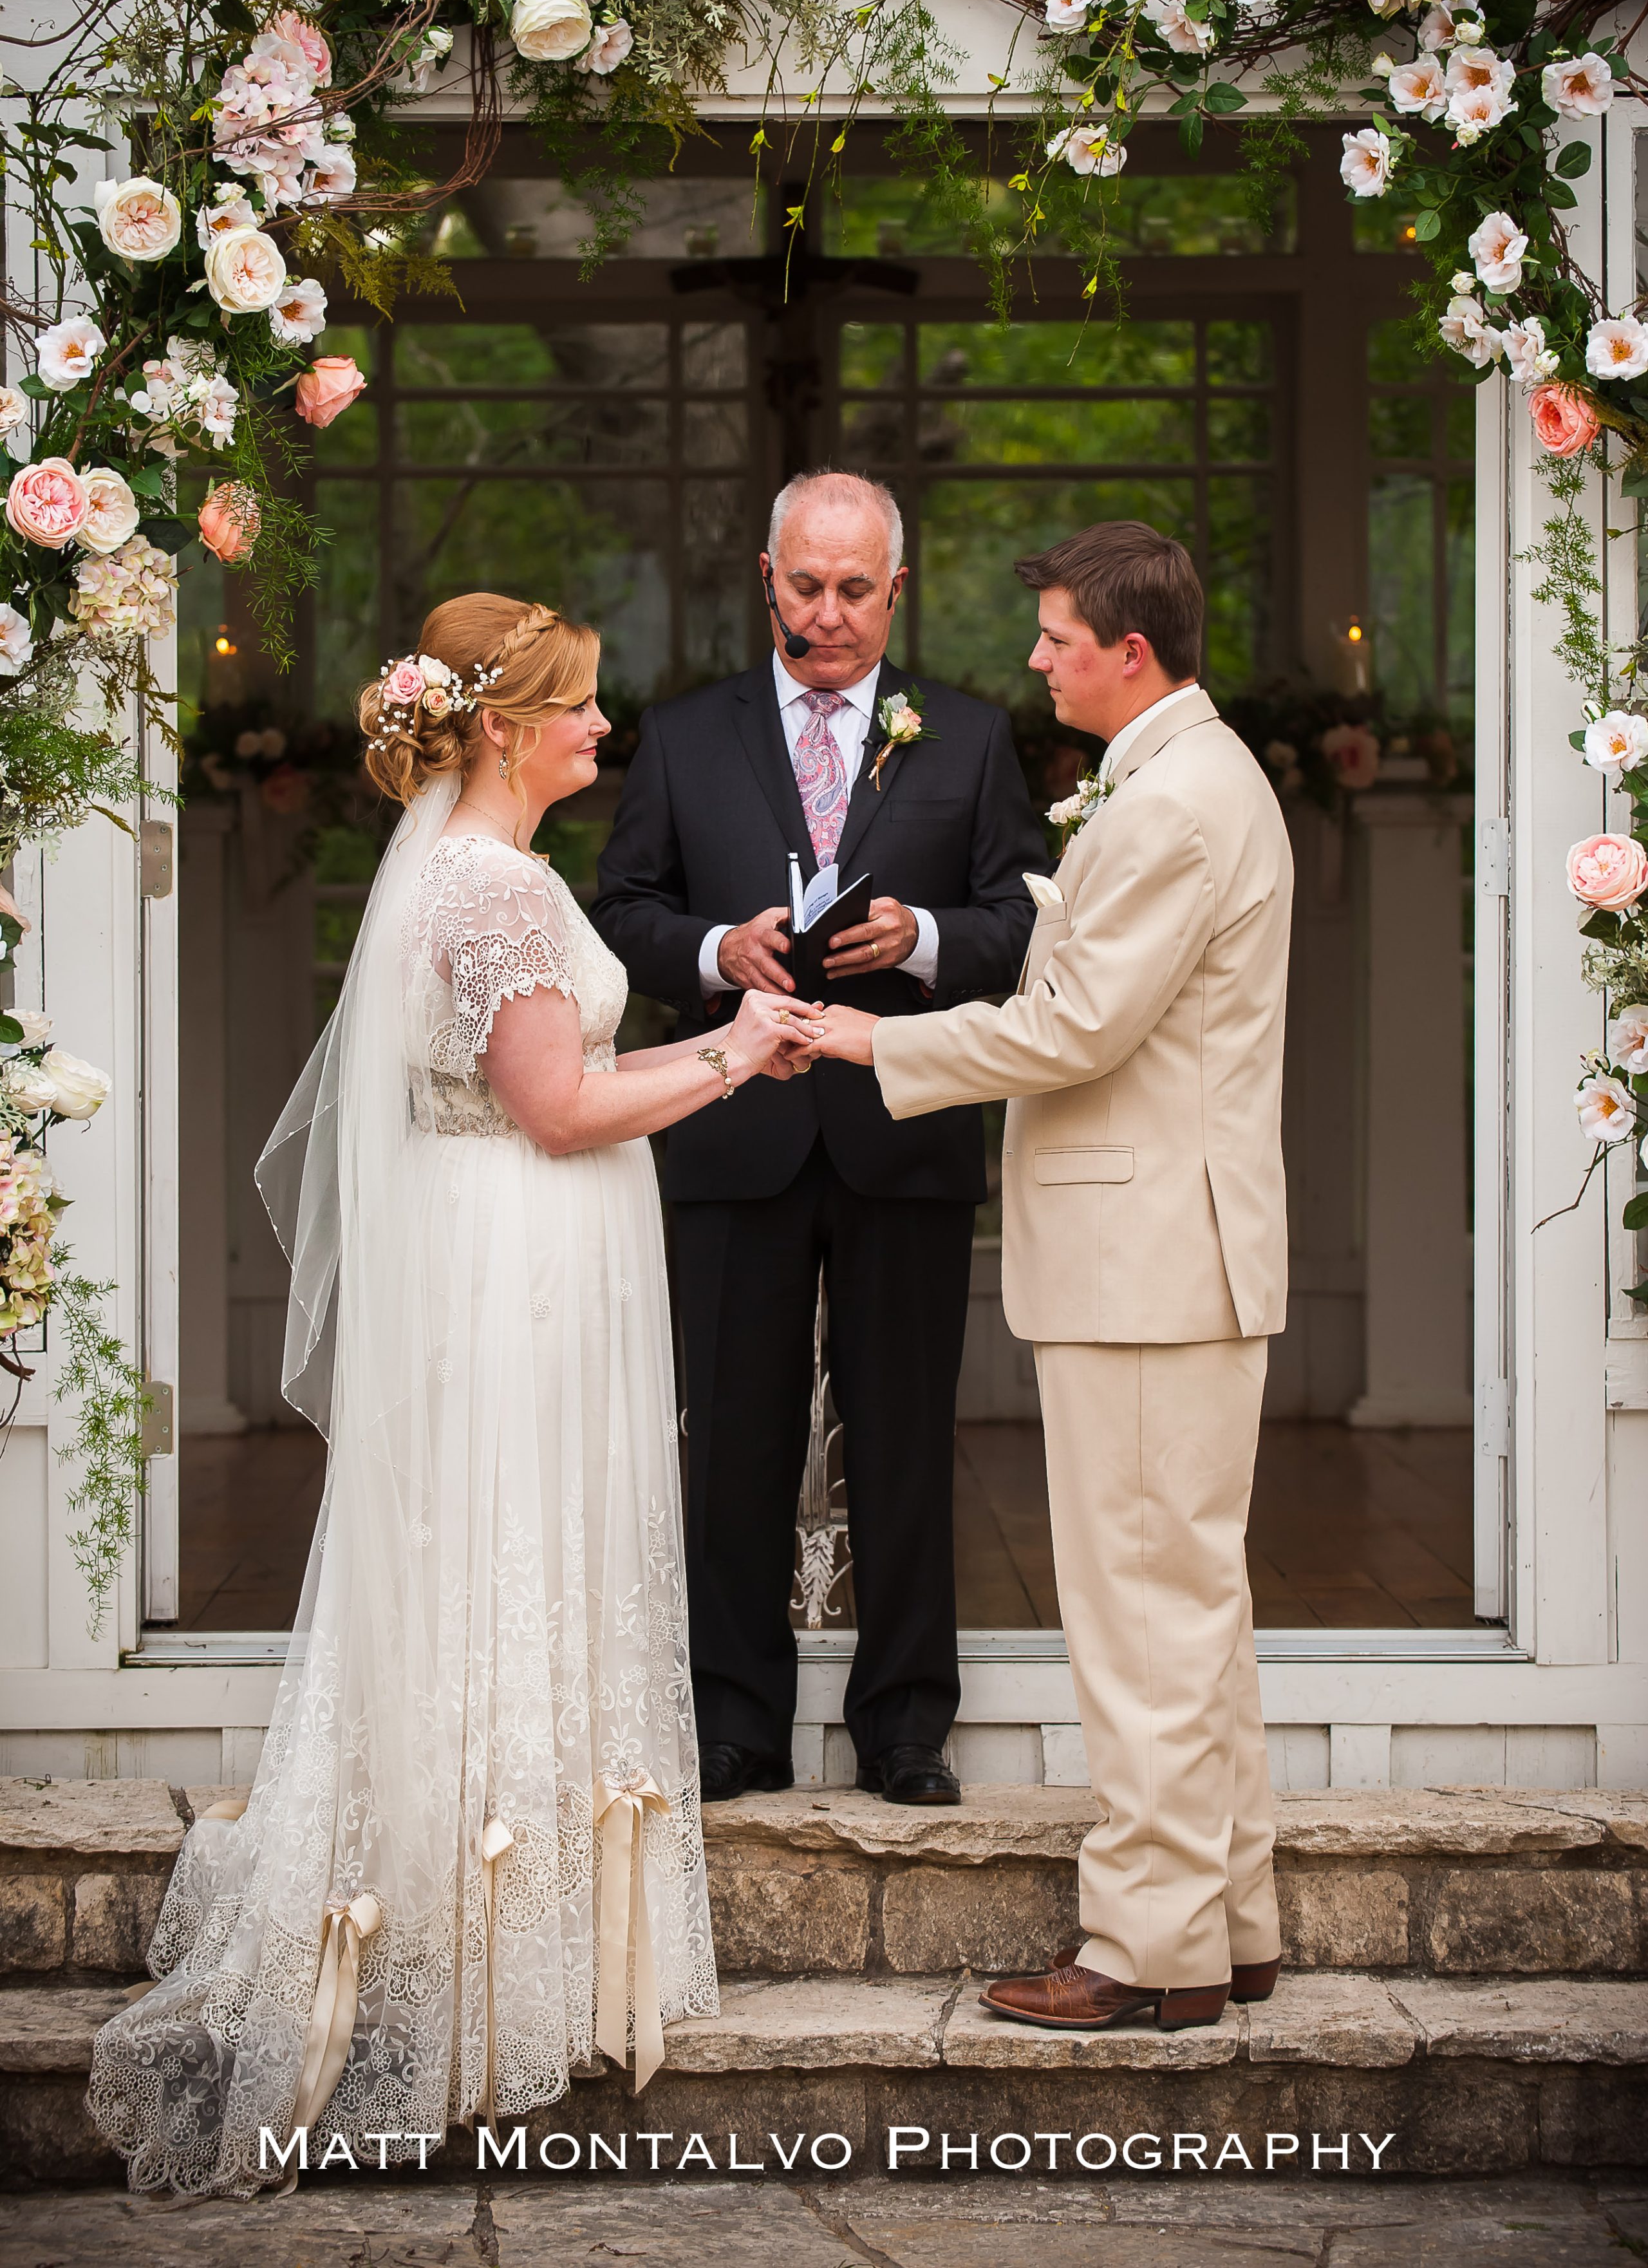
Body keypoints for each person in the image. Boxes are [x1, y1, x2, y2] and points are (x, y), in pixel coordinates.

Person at [89, 594, 818, 2195]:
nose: (603, 727)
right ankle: (484, 1985)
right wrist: (727, 1052)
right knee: (511, 1566)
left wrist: (721, 1045)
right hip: (516, 1268)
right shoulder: (489, 888)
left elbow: (558, 1090)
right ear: (501, 725)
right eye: (578, 706)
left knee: (509, 1568)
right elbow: (555, 1108)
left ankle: (513, 1965)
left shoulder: (485, 872)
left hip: (519, 1247)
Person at [811, 519, 1293, 2030]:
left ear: (1127, 653)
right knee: (1188, 1608)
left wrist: (872, 1042)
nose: (1033, 659)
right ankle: (1228, 1921)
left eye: (1056, 638)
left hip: (1147, 1263)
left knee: (1142, 1615)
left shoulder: (1172, 806)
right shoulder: (1188, 778)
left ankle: (1147, 1951)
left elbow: (1072, 1028)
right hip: (1170, 1254)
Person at [593, 472, 1045, 1807]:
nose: (829, 612)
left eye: (855, 588)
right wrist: (709, 950)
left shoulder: (968, 736)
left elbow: (1022, 924)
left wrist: (926, 938)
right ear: (766, 579)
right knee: (731, 1439)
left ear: (895, 590)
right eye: (806, 585)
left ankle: (905, 1725)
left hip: (902, 1131)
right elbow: (620, 909)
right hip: (732, 1133)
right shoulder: (686, 735)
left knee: (904, 1438)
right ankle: (734, 1721)